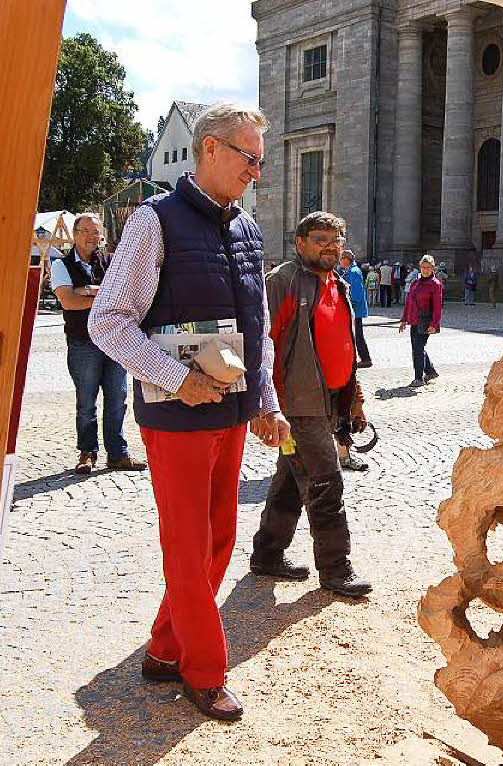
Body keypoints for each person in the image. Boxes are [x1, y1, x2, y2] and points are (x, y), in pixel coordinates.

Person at [89, 103, 287, 722]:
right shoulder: (155, 222)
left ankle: (164, 648)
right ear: (208, 149)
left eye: (261, 160)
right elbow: (107, 322)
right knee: (187, 542)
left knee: (221, 538)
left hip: (229, 412)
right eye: (248, 157)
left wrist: (265, 400)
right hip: (175, 419)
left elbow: (257, 329)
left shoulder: (248, 229)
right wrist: (177, 379)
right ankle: (203, 669)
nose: (256, 172)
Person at [250, 210, 373, 598]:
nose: (331, 248)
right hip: (297, 406)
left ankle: (268, 554)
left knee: (291, 475)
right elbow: (258, 344)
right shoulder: (282, 282)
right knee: (325, 480)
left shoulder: (338, 283)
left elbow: (344, 346)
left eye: (336, 241)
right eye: (321, 240)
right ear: (300, 243)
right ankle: (336, 568)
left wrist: (353, 398)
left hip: (330, 401)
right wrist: (265, 405)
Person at [51, 213, 147, 475]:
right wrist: (102, 294)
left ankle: (118, 454)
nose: (91, 237)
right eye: (85, 231)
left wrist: (87, 291)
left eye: (96, 232)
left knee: (118, 399)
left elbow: (124, 295)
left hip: (114, 341)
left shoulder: (111, 261)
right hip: (83, 343)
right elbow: (68, 302)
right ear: (74, 234)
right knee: (86, 402)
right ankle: (87, 453)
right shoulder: (61, 264)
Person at [399, 255, 443, 387]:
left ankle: (418, 378)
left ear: (433, 268)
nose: (426, 270)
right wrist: (404, 319)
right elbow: (408, 302)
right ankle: (430, 371)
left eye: (429, 267)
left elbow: (437, 307)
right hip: (414, 320)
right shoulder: (415, 283)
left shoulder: (435, 284)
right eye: (424, 267)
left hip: (426, 320)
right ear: (420, 267)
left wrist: (434, 324)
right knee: (418, 347)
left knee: (417, 348)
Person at [340, 250, 372, 369]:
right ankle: (361, 358)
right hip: (353, 309)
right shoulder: (349, 271)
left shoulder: (354, 272)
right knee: (355, 335)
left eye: (341, 259)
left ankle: (365, 358)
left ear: (347, 259)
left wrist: (350, 306)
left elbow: (356, 293)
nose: (340, 261)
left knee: (358, 335)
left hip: (355, 310)